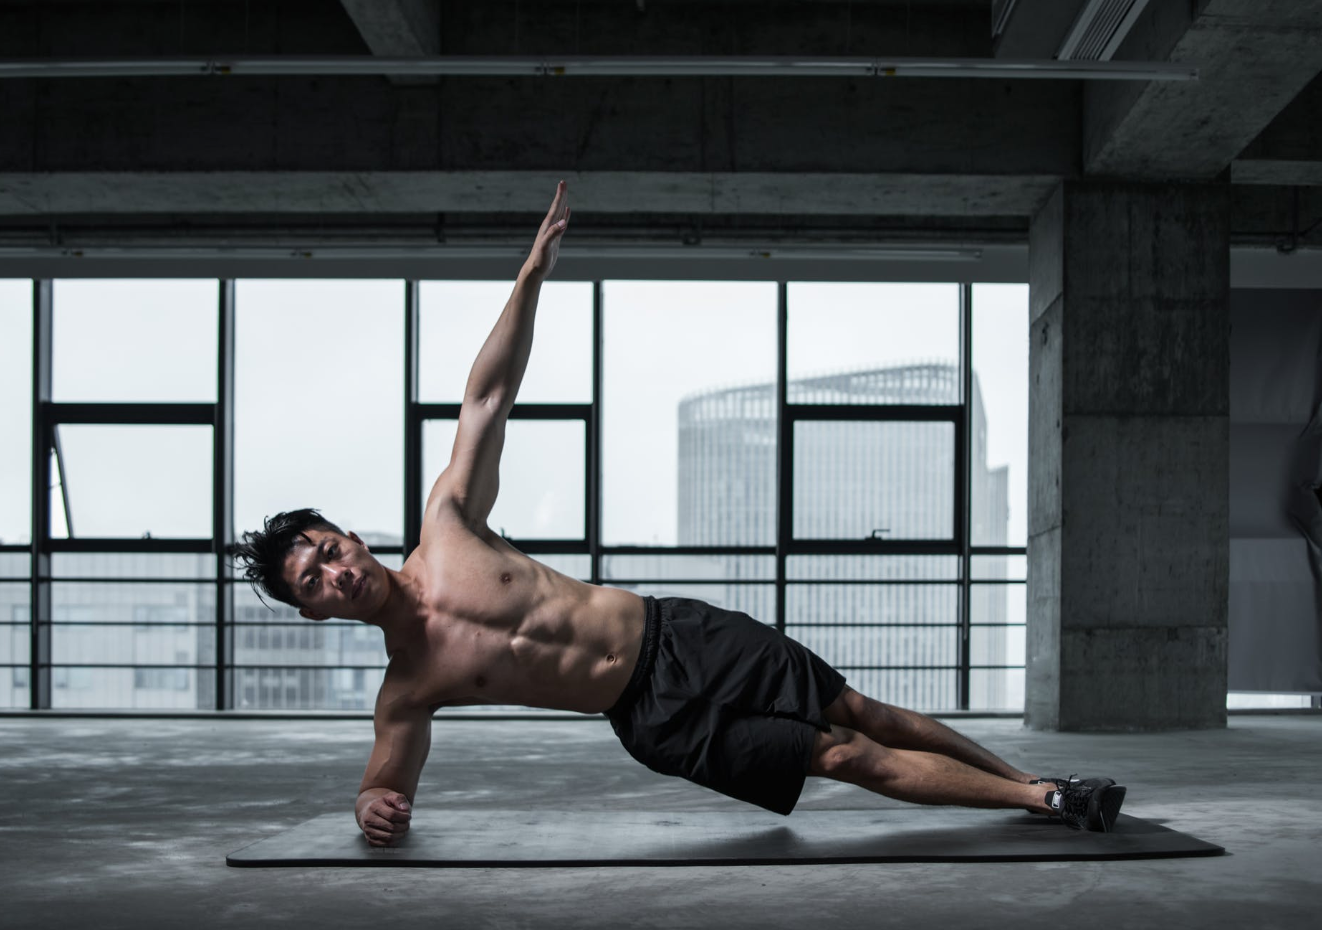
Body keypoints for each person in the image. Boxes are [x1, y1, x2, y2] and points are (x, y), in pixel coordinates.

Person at [233, 181, 1126, 847]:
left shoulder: (451, 525)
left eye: (325, 550)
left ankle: (1041, 784)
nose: (334, 572)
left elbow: (486, 398)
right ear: (316, 613)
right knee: (839, 754)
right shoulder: (408, 686)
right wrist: (367, 806)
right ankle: (1044, 800)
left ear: (347, 534)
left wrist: (533, 273)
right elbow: (387, 780)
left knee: (861, 709)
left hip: (680, 634)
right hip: (653, 718)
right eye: (314, 583)